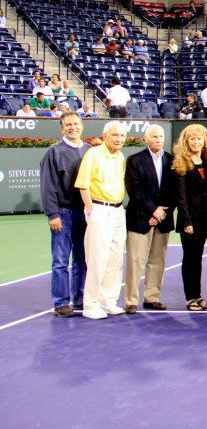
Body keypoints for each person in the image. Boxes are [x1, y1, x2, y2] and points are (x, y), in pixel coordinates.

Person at [74, 121, 128, 320]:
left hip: (118, 210)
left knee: (115, 258)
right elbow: (83, 185)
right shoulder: (94, 154)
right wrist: (90, 209)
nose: (119, 139)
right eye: (115, 135)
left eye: (122, 136)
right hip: (99, 209)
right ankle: (91, 304)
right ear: (105, 136)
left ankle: (109, 300)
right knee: (97, 258)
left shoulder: (120, 156)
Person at [40, 111, 90, 317]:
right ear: (62, 128)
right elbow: (47, 186)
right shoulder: (53, 152)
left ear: (81, 126)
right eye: (68, 124)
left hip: (84, 213)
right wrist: (53, 214)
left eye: (76, 124)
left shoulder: (89, 150)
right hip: (63, 212)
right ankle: (61, 302)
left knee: (82, 259)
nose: (73, 127)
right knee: (60, 260)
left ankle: (79, 299)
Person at [123, 125, 175, 314]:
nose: (158, 139)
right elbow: (134, 191)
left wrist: (160, 213)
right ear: (146, 138)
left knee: (157, 261)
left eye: (160, 136)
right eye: (154, 136)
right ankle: (131, 300)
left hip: (163, 220)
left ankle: (151, 297)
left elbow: (173, 191)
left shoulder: (172, 160)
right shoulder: (134, 160)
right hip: (139, 219)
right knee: (136, 261)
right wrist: (153, 211)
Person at [172, 125, 207, 311]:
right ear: (186, 141)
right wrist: (186, 221)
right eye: (193, 139)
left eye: (200, 139)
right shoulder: (181, 162)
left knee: (197, 258)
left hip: (204, 219)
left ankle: (198, 296)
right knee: (189, 258)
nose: (196, 142)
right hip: (189, 220)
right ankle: (190, 297)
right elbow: (181, 197)